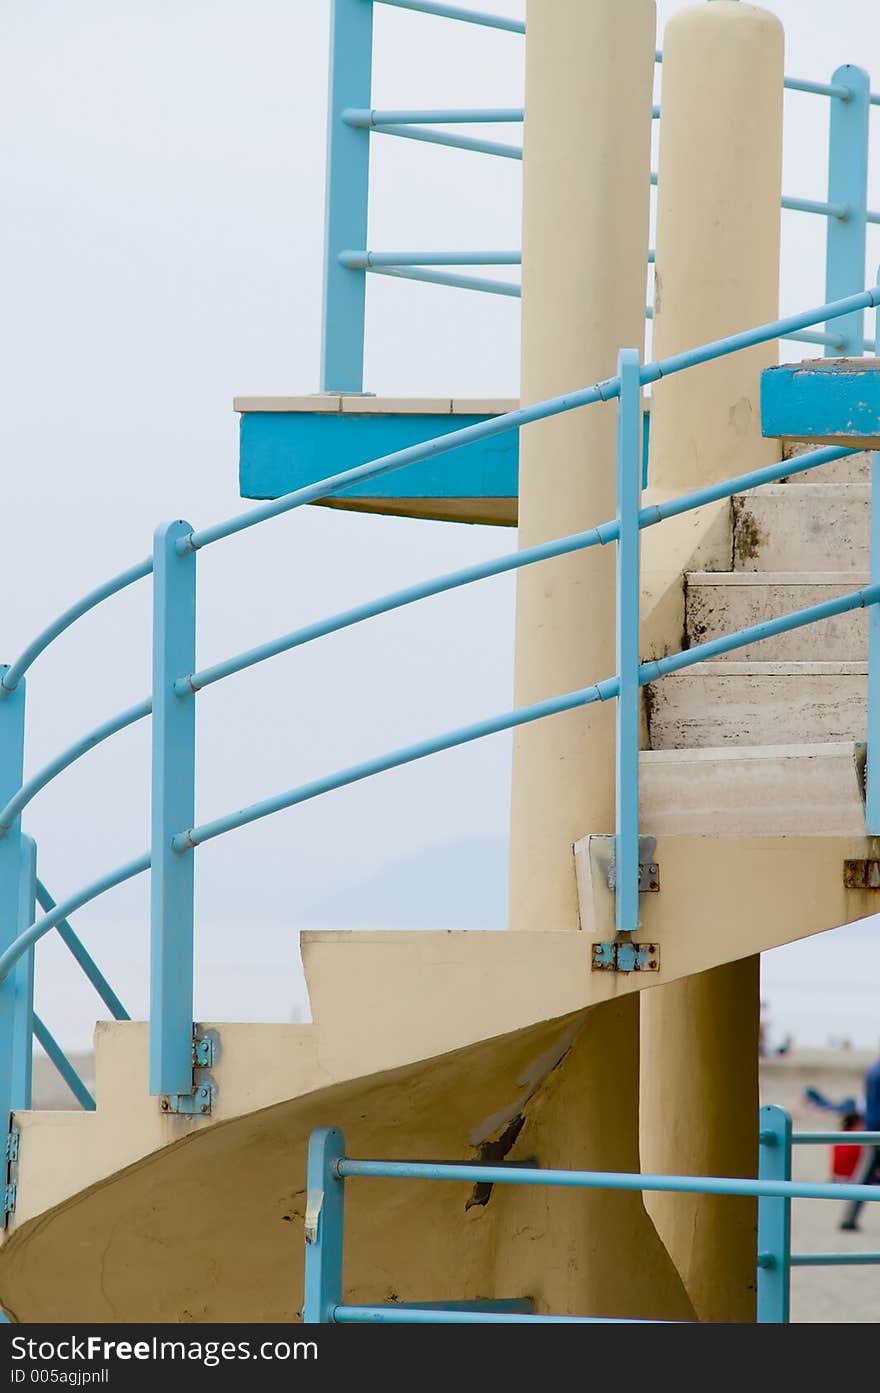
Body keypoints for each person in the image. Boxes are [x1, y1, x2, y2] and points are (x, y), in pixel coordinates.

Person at [840, 1050, 880, 1231]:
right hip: (876, 1127)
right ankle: (849, 1218)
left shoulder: (873, 1069)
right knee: (864, 1175)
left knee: (864, 1175)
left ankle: (849, 1217)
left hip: (871, 1126)